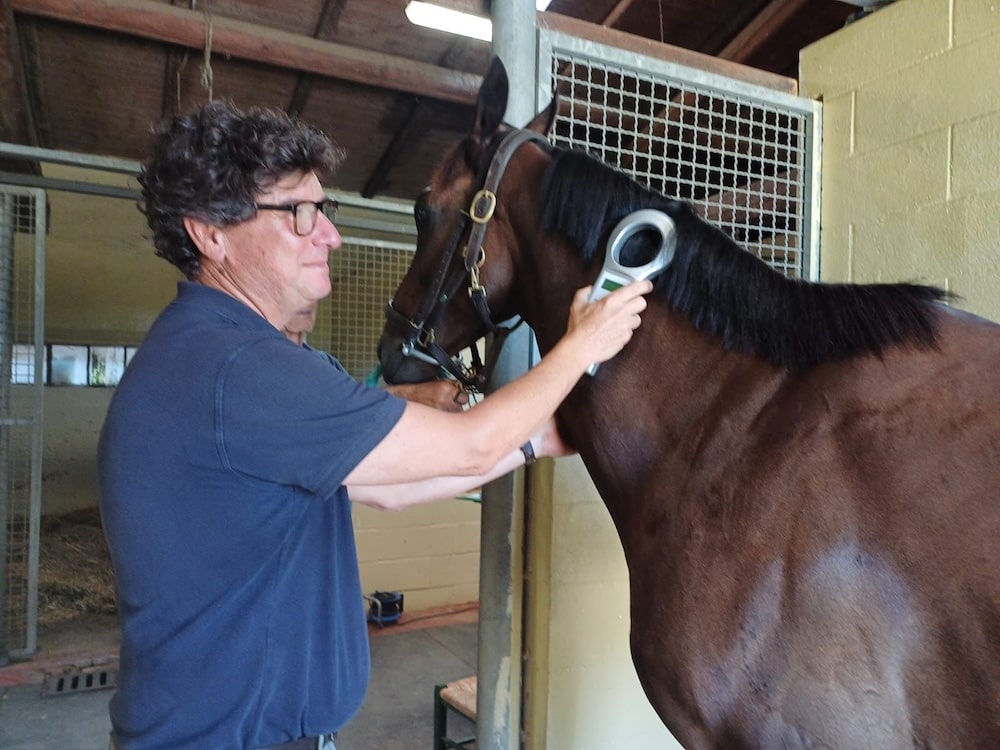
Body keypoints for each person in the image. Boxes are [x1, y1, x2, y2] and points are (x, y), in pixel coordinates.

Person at [97, 99, 650, 750]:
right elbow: (472, 448)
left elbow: (389, 486)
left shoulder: (216, 352)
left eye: (322, 212)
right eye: (299, 214)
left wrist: (540, 438)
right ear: (210, 234)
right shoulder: (238, 369)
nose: (328, 235)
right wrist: (582, 345)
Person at [283, 302, 468, 411]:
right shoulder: (260, 363)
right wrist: (409, 395)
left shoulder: (325, 363)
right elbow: (322, 419)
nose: (305, 300)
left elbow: (350, 409)